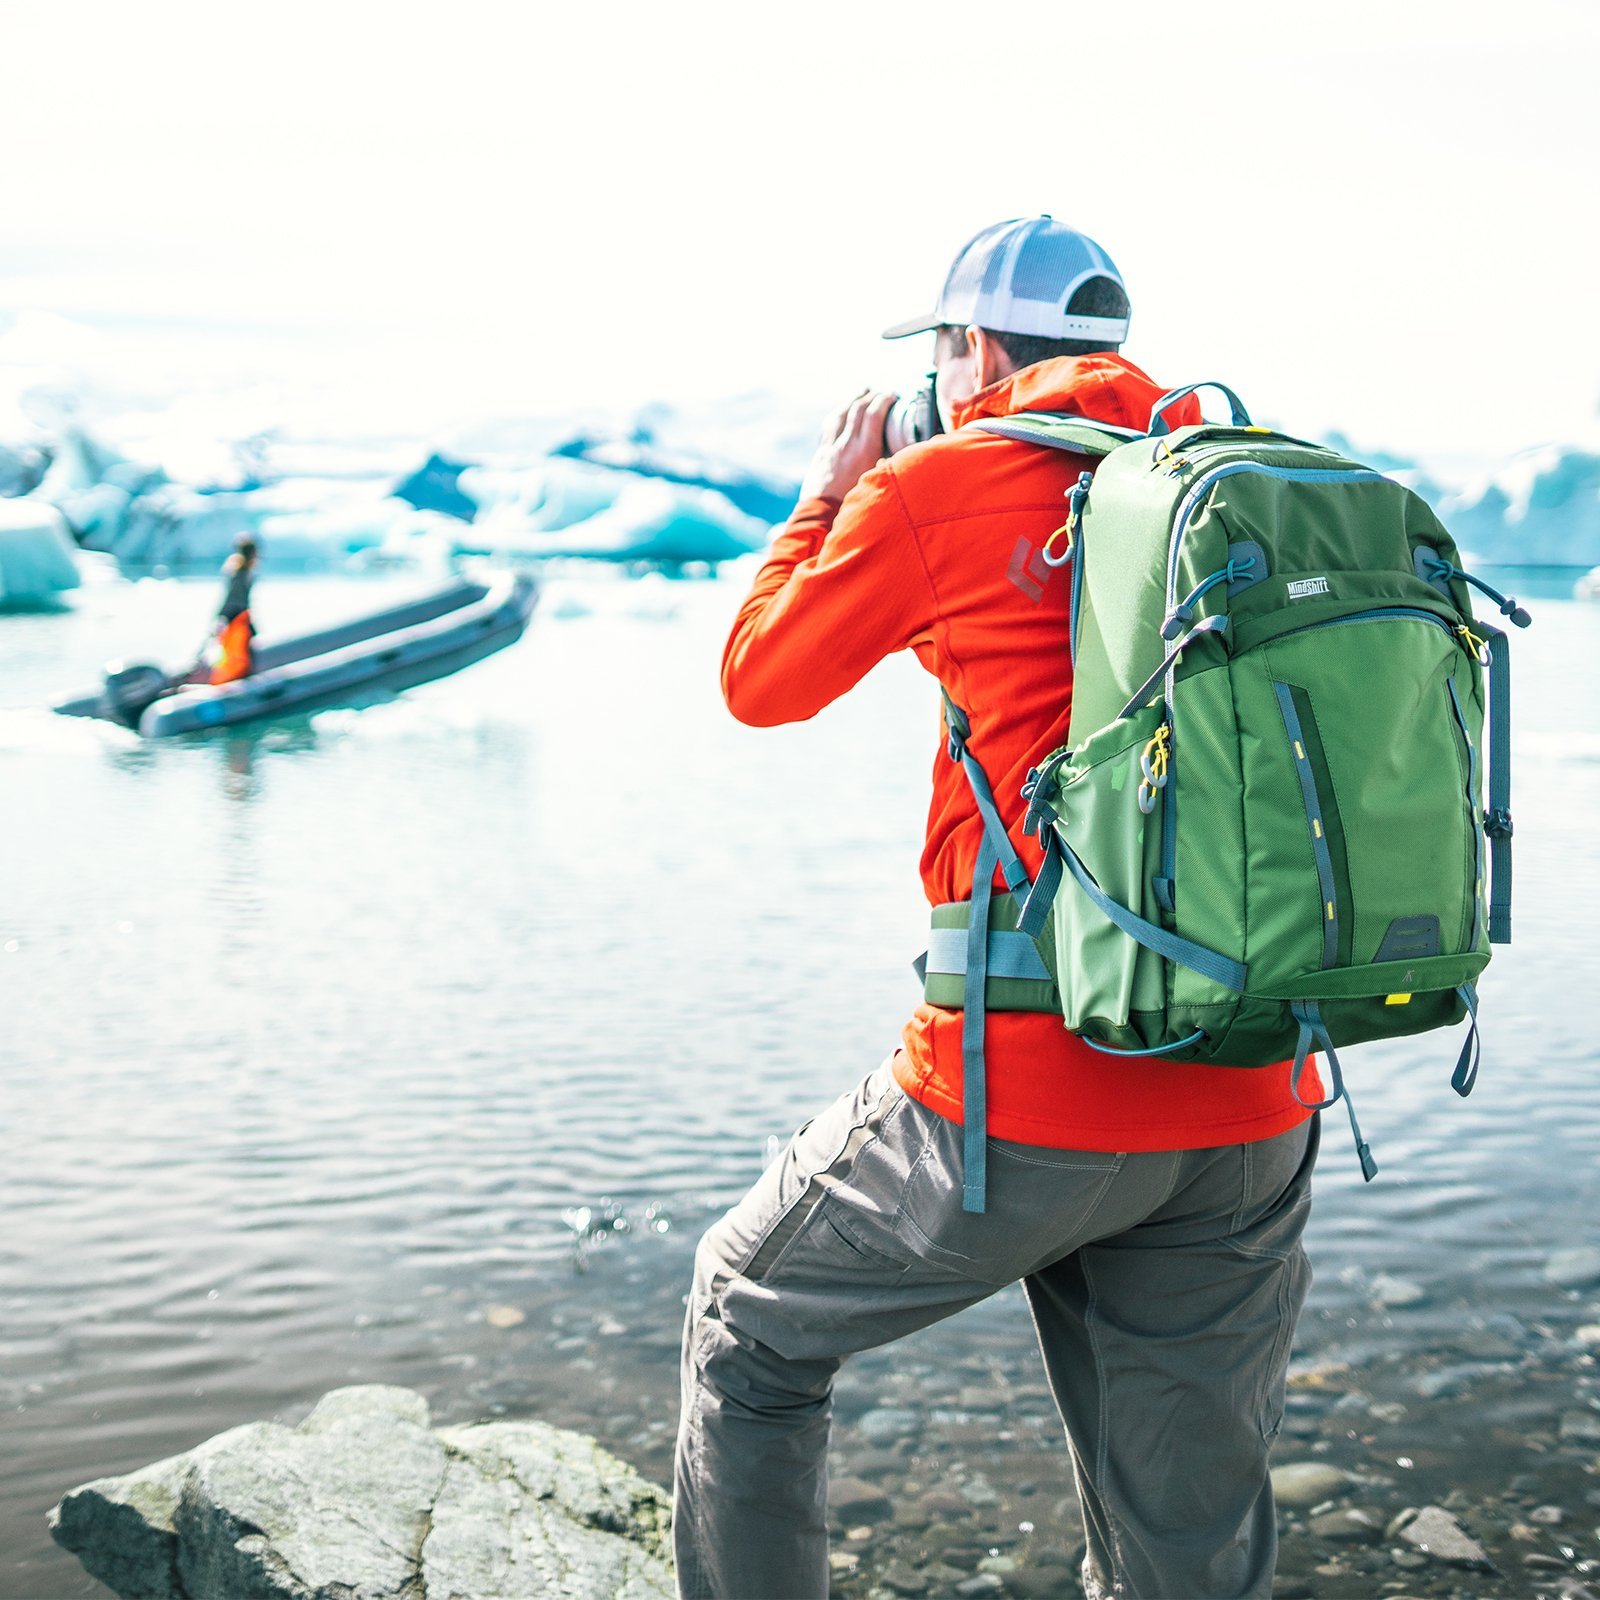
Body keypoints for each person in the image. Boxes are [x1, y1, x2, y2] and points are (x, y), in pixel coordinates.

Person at [674, 218, 1325, 1600]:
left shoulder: (945, 487)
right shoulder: (1242, 471)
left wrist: (835, 494)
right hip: (1256, 1089)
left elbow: (761, 677)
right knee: (1185, 1527)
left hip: (1024, 1099)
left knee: (749, 1315)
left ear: (972, 351)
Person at [210, 536, 258, 685]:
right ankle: (232, 681)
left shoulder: (239, 571)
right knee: (237, 655)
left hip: (238, 616)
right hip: (237, 618)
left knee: (236, 652)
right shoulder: (240, 573)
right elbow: (234, 599)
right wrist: (225, 616)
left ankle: (236, 678)